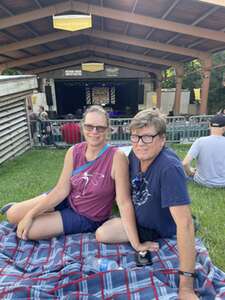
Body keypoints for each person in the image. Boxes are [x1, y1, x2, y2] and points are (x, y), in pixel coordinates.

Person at [1, 106, 157, 254]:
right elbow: (61, 190)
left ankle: (39, 214)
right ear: (82, 127)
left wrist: (136, 244)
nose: (94, 132)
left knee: (30, 231)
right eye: (89, 127)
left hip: (86, 215)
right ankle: (22, 209)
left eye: (100, 128)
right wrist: (30, 214)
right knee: (13, 215)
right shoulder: (74, 151)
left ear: (108, 130)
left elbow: (123, 202)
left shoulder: (117, 157)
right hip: (67, 198)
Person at [96, 108, 198, 300]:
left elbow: (185, 224)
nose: (140, 144)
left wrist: (186, 286)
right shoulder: (133, 156)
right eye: (135, 137)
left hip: (157, 229)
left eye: (147, 138)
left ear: (162, 139)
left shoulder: (169, 168)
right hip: (138, 218)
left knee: (103, 232)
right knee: (102, 228)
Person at [183, 114, 225, 188]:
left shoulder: (200, 141)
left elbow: (185, 163)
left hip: (203, 181)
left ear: (209, 125)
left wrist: (190, 173)